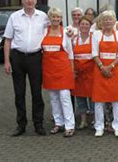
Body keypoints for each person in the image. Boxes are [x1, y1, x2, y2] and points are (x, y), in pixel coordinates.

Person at [4, 0, 48, 136]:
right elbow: (8, 40)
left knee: (37, 93)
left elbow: (54, 32)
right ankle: (21, 125)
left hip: (36, 58)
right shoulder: (14, 17)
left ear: (36, 0)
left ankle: (38, 124)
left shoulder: (43, 17)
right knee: (19, 93)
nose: (29, 1)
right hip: (17, 58)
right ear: (22, 0)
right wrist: (6, 61)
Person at [42, 7, 76, 137]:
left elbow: (70, 53)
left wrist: (72, 70)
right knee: (53, 98)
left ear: (61, 19)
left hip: (63, 70)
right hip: (49, 70)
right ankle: (58, 123)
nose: (55, 19)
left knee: (65, 97)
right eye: (53, 17)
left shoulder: (66, 33)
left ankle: (69, 125)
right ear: (49, 19)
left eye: (58, 17)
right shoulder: (44, 31)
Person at [91, 10, 118, 137]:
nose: (108, 22)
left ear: (114, 21)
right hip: (99, 69)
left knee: (116, 100)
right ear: (101, 22)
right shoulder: (96, 34)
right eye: (105, 19)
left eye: (110, 19)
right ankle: (99, 127)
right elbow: (94, 53)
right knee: (99, 100)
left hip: (115, 69)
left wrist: (110, 67)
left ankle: (117, 127)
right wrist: (102, 67)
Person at [72, 16, 95, 130]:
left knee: (92, 98)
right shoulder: (74, 39)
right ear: (79, 26)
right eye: (82, 24)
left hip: (91, 73)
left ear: (90, 26)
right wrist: (73, 70)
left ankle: (94, 120)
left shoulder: (94, 38)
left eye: (87, 24)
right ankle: (83, 120)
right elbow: (70, 56)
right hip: (78, 74)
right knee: (80, 98)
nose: (84, 26)